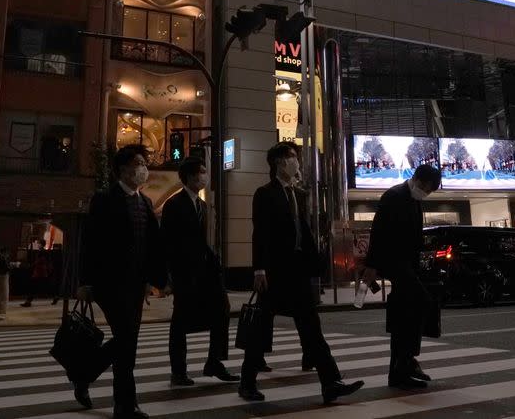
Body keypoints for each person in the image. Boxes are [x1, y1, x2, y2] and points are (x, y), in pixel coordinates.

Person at [238, 142, 363, 404]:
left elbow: (303, 232)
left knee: (312, 329)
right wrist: (259, 268)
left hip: (297, 273)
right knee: (261, 329)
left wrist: (315, 263)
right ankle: (246, 383)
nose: (296, 162)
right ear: (279, 163)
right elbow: (259, 233)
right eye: (292, 157)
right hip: (274, 272)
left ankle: (331, 382)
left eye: (296, 157)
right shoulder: (264, 193)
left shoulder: (298, 194)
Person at [77, 144, 167, 417]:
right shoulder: (105, 199)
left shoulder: (145, 202)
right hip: (109, 283)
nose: (144, 168)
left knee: (127, 342)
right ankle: (125, 404)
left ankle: (85, 376)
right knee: (126, 340)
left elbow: (152, 246)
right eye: (138, 163)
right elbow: (90, 242)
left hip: (136, 285)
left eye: (144, 163)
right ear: (123, 169)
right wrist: (86, 282)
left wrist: (157, 280)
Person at [161, 157, 239, 387]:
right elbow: (166, 241)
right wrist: (167, 277)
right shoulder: (174, 204)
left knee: (222, 310)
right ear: (189, 177)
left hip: (208, 272)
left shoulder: (203, 205)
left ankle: (214, 361)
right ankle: (178, 371)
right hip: (185, 273)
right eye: (200, 172)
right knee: (180, 321)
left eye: (205, 172)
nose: (204, 176)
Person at [364, 164, 442, 390]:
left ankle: (400, 370)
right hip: (394, 263)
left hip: (408, 265)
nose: (426, 193)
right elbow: (377, 231)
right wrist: (371, 265)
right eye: (426, 188)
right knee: (421, 302)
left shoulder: (415, 200)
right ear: (417, 179)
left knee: (404, 315)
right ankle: (407, 362)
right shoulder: (393, 196)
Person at [21, 239, 50, 307]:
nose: (37, 245)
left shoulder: (42, 252)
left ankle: (28, 302)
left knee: (33, 286)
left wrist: (32, 265)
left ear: (41, 244)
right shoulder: (42, 251)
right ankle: (55, 296)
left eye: (38, 243)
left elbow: (40, 261)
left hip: (39, 271)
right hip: (40, 271)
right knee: (39, 286)